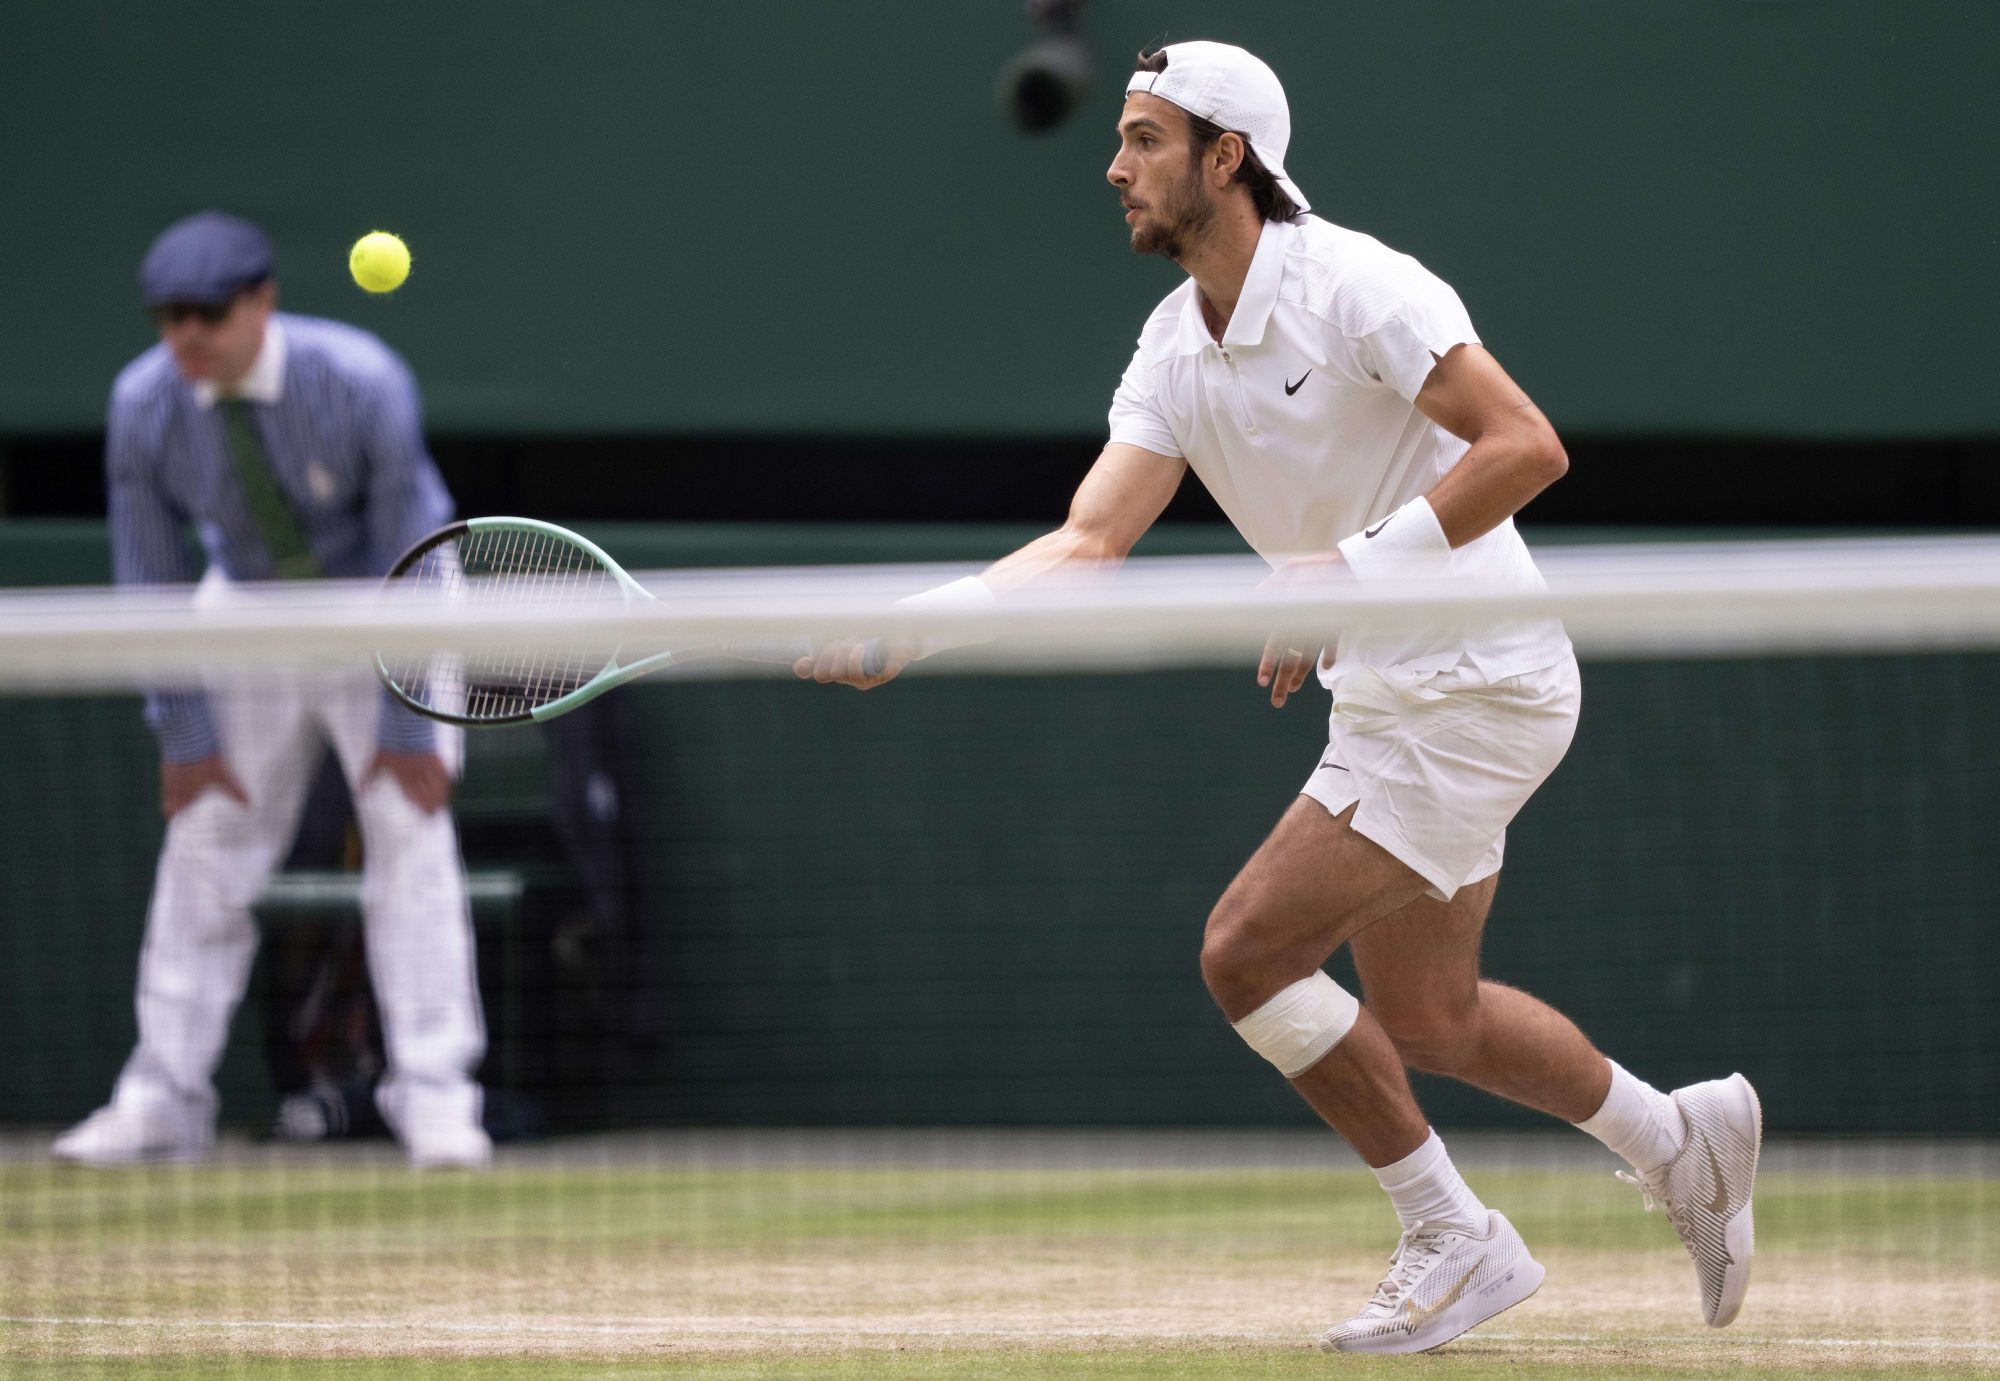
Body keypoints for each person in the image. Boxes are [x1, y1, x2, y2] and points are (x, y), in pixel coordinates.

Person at [800, 42, 1761, 1355]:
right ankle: (1680, 1137)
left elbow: (1527, 444)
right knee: (1432, 1018)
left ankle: (1454, 1235)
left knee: (1247, 949)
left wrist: (1347, 572)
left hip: (1475, 678)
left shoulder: (1358, 288)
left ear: (1226, 157)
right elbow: (1089, 542)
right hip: (1399, 693)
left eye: (1143, 139)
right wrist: (919, 624)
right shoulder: (1170, 351)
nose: (1115, 165)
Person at [52, 210, 490, 1170]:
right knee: (205, 844)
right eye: (170, 317)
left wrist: (407, 721)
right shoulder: (144, 405)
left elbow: (413, 559)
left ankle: (436, 1098)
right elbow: (153, 574)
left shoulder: (362, 380)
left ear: (261, 302)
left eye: (208, 312)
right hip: (248, 611)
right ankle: (164, 1097)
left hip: (388, 600)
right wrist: (184, 733)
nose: (189, 338)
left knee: (409, 838)